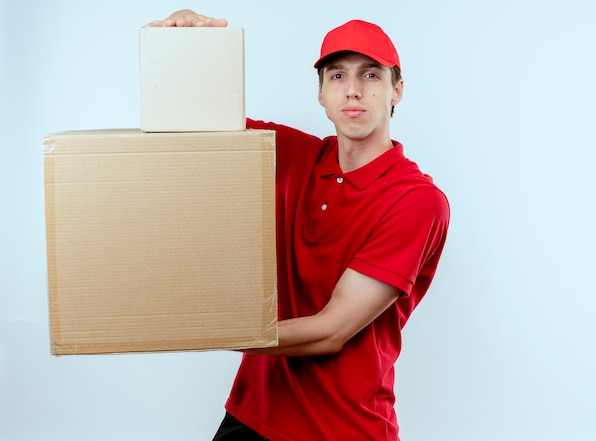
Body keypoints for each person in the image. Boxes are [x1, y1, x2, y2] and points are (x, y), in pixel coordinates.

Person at [148, 10, 450, 441]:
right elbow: (193, 125)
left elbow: (331, 330)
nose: (352, 91)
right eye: (336, 76)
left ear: (396, 90)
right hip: (253, 416)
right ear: (321, 94)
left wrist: (201, 330)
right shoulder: (292, 156)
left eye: (370, 76)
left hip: (342, 429)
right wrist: (186, 50)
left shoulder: (417, 201)